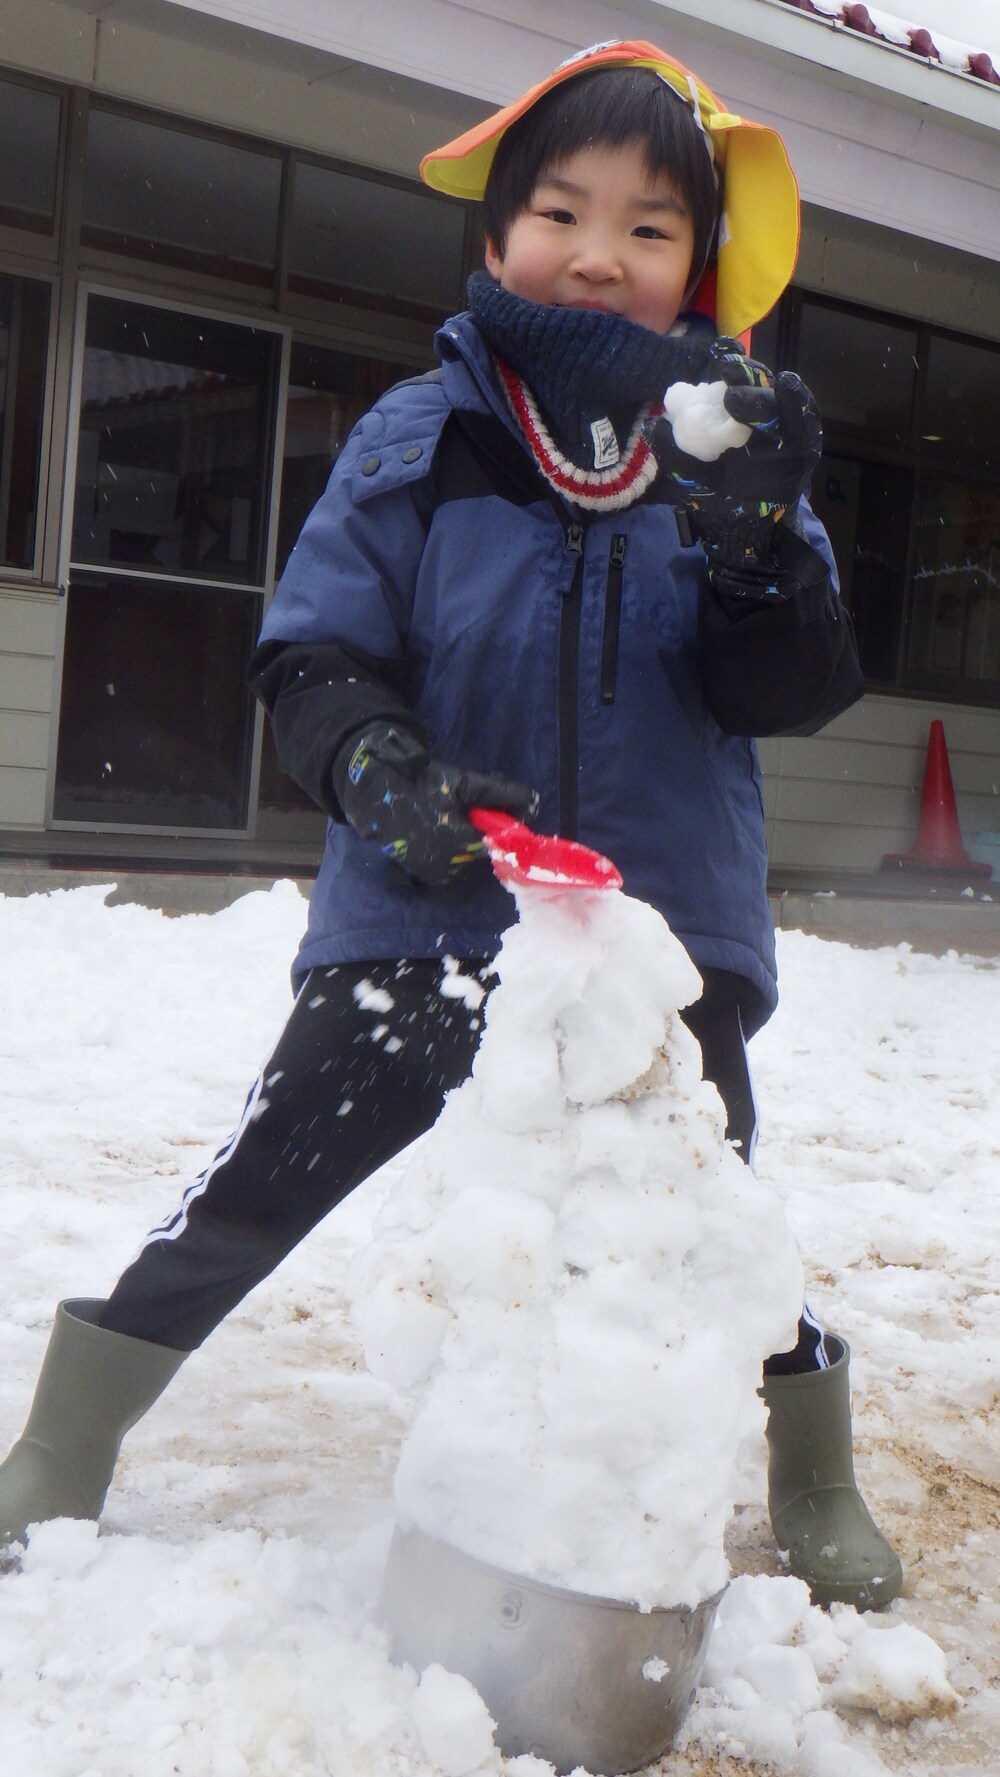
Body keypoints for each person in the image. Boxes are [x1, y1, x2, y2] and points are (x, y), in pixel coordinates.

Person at [0, 40, 901, 1610]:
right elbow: (314, 651)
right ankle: (64, 1447)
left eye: (648, 226)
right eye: (561, 210)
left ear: (700, 267)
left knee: (703, 1227)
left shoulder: (733, 452)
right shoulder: (421, 434)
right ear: (496, 238)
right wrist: (382, 774)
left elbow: (790, 688)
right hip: (425, 917)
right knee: (256, 1185)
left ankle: (814, 1468)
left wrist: (762, 539)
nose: (599, 252)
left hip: (649, 952)